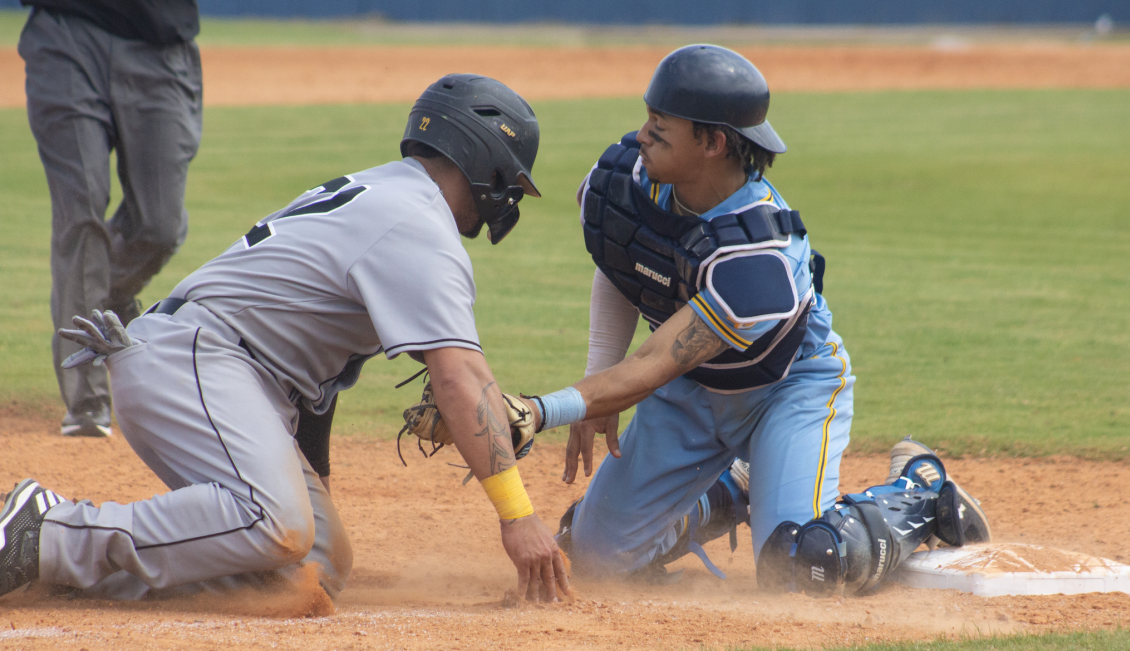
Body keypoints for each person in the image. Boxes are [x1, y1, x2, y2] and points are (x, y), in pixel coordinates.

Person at [0, 75, 572, 605]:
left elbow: (320, 383)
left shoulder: (390, 195)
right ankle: (47, 529)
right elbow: (459, 377)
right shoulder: (419, 227)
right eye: (509, 183)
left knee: (308, 570)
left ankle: (71, 571)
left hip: (223, 373)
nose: (508, 199)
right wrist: (517, 517)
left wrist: (312, 482)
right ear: (486, 164)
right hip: (198, 360)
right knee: (275, 522)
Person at [516, 45, 990, 597]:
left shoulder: (759, 256)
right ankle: (737, 486)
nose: (641, 136)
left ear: (713, 143)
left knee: (803, 567)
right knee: (594, 557)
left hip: (785, 392)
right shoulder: (625, 181)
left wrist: (542, 409)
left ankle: (919, 492)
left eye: (660, 129)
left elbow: (650, 363)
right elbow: (623, 264)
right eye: (647, 119)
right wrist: (600, 383)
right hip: (690, 392)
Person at [18, 0, 204, 438]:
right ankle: (87, 403)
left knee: (159, 226)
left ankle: (98, 301)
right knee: (80, 213)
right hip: (66, 34)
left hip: (160, 42)